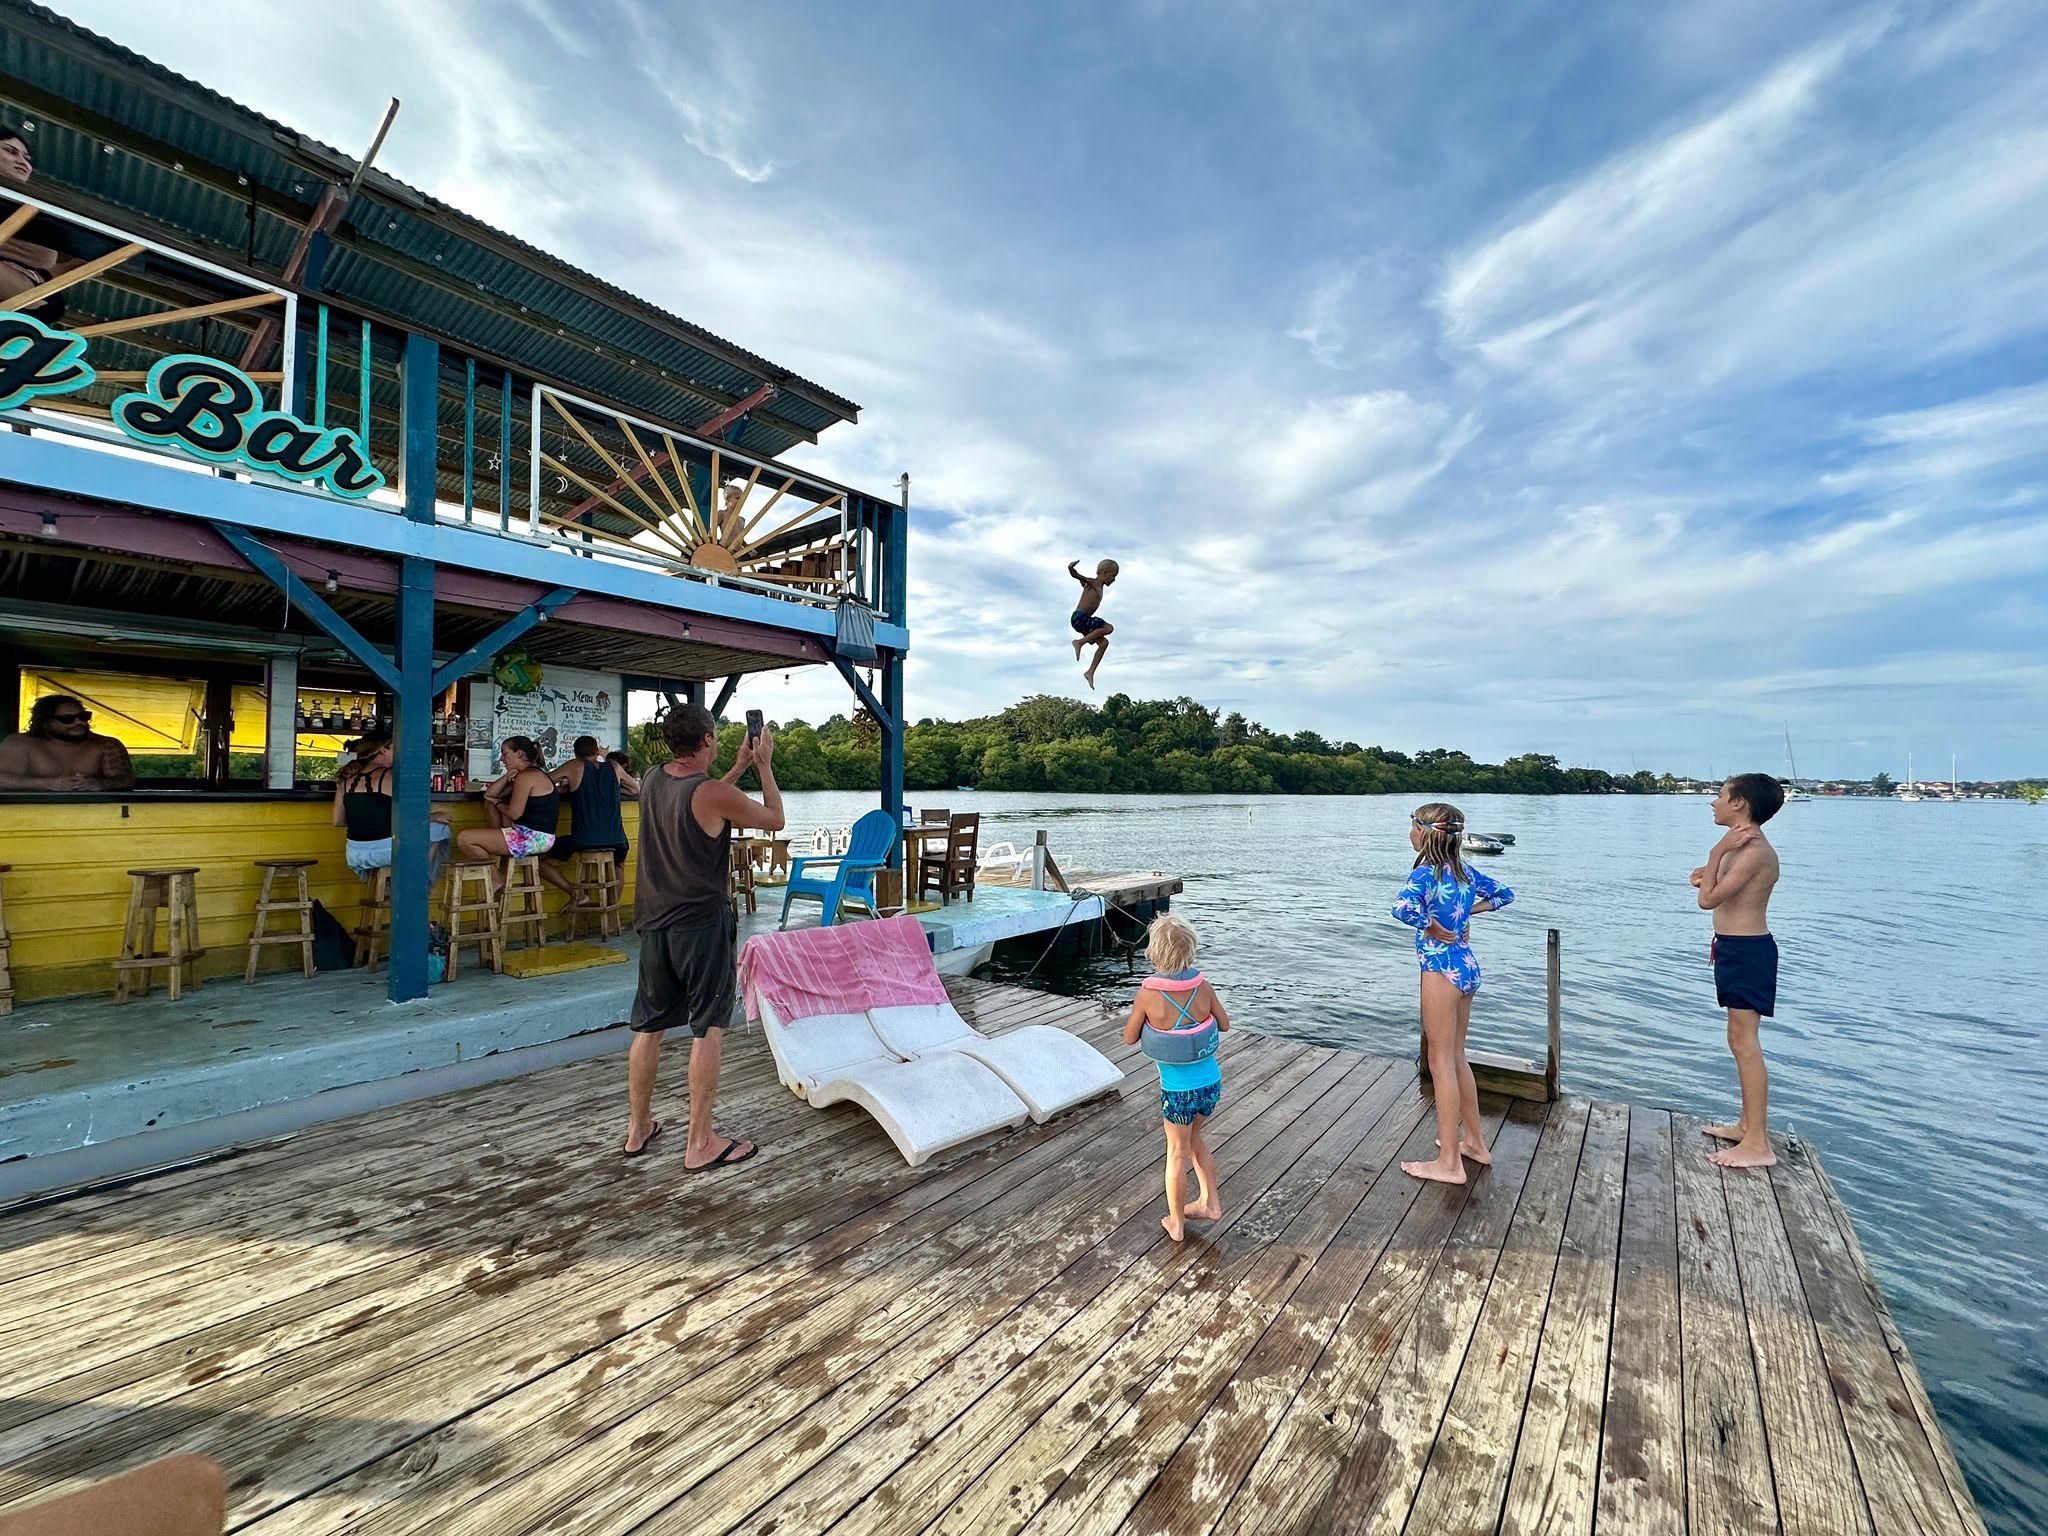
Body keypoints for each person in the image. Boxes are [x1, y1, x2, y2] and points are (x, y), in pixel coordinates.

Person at [624, 703, 783, 1167]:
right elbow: (774, 819)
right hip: (700, 924)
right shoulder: (710, 791)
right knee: (708, 1027)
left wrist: (736, 767)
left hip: (654, 922)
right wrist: (764, 767)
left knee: (649, 1026)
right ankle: (699, 1144)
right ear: (707, 740)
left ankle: (637, 1129)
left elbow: (703, 805)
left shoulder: (652, 778)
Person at [1392, 802, 1514, 1185]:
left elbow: (1401, 909)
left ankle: (1448, 1162)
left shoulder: (1426, 874)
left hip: (1441, 970)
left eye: (1411, 827)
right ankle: (1474, 1143)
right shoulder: (1464, 873)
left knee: (1439, 1061)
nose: (1408, 833)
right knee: (1457, 1057)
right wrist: (1463, 916)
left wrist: (1431, 925)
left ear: (1424, 833)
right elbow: (1504, 894)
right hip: (1466, 967)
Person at [1691, 772, 1784, 1169]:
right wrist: (1710, 870)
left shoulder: (1751, 851)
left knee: (1746, 1043)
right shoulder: (1739, 848)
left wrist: (1715, 855)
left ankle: (1758, 1143)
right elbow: (1704, 883)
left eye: (1720, 795)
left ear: (1740, 803)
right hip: (1732, 947)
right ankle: (1747, 1125)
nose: (1713, 802)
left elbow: (1706, 899)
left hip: (1749, 951)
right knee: (1737, 1040)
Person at [1122, 913, 1230, 1242]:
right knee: (1195, 1142)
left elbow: (1129, 1038)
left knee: (1177, 1153)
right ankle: (1209, 1204)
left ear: (1154, 952)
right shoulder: (1203, 986)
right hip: (1210, 1084)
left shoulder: (1148, 994)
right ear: (1190, 950)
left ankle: (1177, 1223)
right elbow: (1223, 1025)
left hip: (1178, 1090)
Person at [329, 732, 452, 881]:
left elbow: (338, 821)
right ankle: (416, 882)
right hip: (386, 852)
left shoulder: (345, 782)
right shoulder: (390, 776)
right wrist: (434, 816)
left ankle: (386, 887)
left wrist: (366, 818)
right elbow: (408, 816)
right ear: (383, 750)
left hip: (355, 855)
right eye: (395, 748)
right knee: (439, 829)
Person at [539, 735, 630, 906]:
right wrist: (613, 791)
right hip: (617, 840)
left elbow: (543, 780)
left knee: (536, 857)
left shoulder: (574, 766)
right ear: (597, 751)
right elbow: (634, 788)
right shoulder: (614, 767)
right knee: (619, 866)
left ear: (575, 753)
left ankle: (576, 894)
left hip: (583, 840)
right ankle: (611, 917)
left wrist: (567, 786)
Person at [457, 736, 559, 885]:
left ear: (519, 754)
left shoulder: (527, 776)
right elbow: (489, 795)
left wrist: (498, 804)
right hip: (532, 835)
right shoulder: (526, 774)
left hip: (533, 838)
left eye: (505, 754)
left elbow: (514, 813)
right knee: (488, 807)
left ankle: (496, 878)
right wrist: (506, 776)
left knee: (465, 839)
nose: (501, 759)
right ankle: (496, 869)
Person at [0, 695, 134, 791]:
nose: (79, 722)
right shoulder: (19, 743)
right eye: (67, 719)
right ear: (44, 723)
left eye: (84, 717)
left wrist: (99, 784)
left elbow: (126, 780)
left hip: (93, 816)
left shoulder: (107, 745)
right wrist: (45, 784)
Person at [1066, 557, 1119, 690]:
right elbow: (1077, 576)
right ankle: (1079, 642)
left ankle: (1090, 672)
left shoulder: (1097, 586)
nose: (1114, 579)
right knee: (1108, 628)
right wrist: (1072, 569)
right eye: (1113, 576)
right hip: (1080, 618)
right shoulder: (1093, 583)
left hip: (1084, 621)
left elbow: (1081, 582)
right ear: (1105, 572)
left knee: (1104, 643)